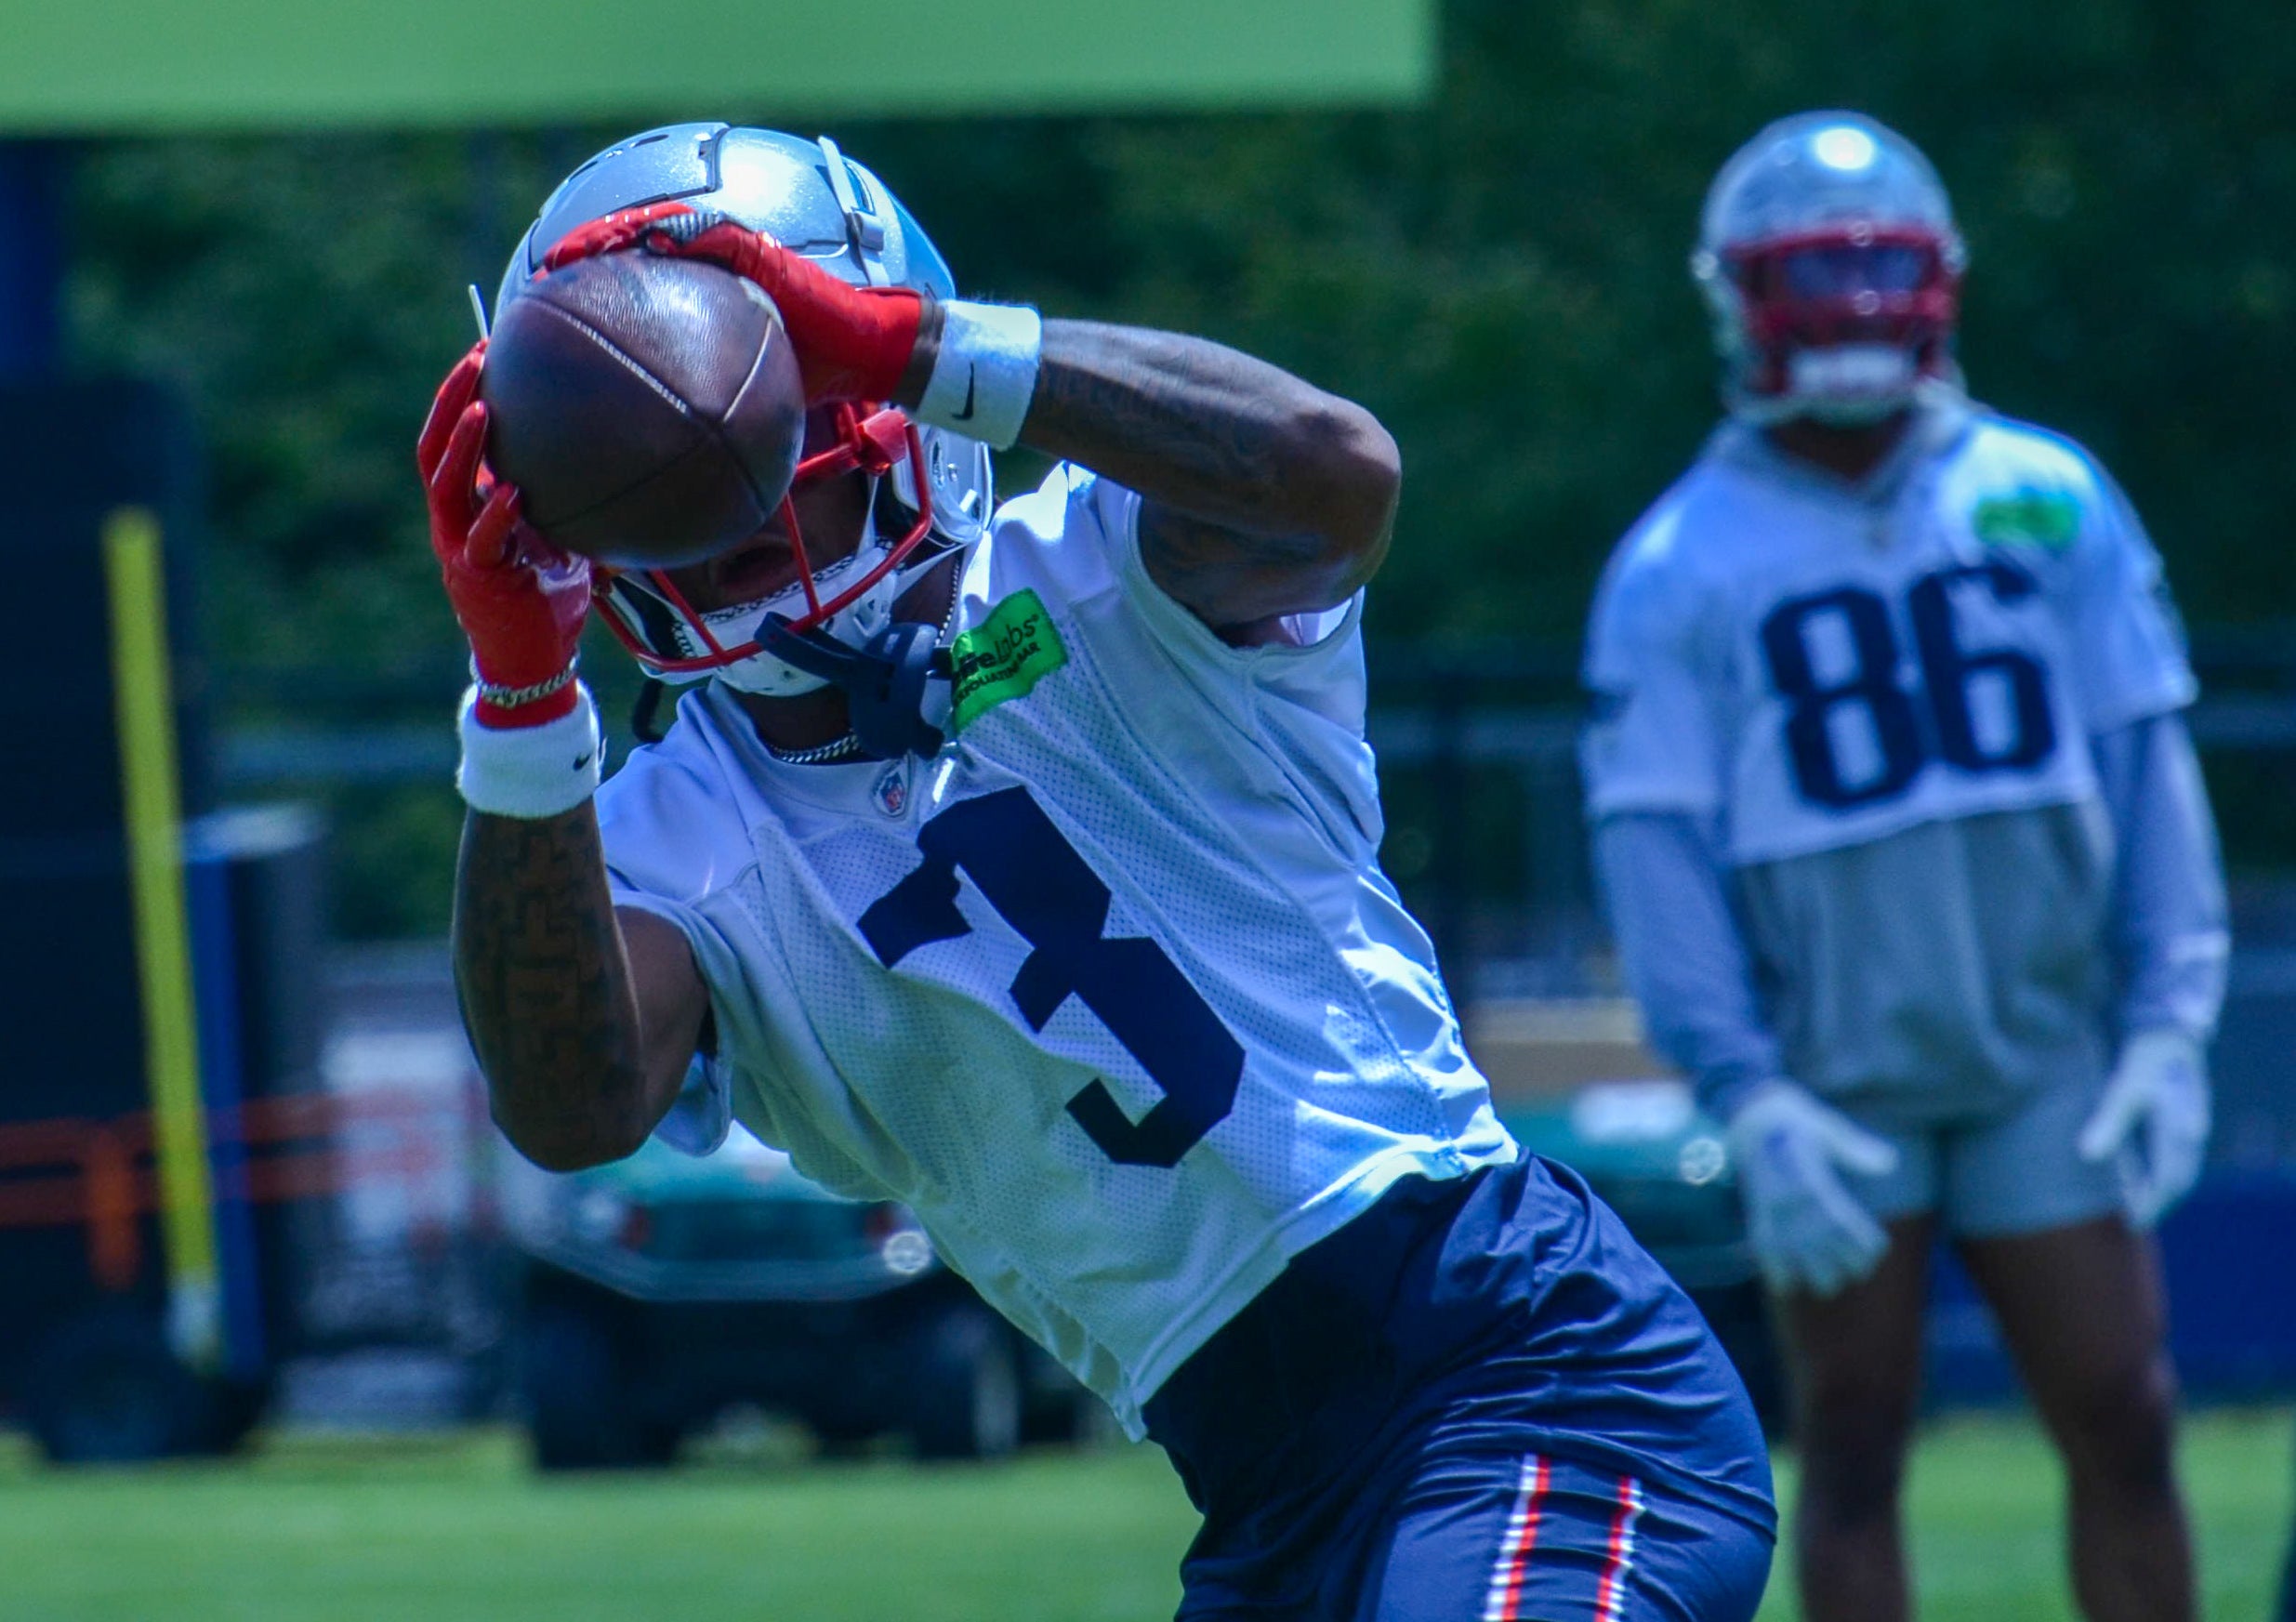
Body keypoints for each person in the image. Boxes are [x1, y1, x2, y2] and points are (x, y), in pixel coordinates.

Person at [419, 124, 1774, 1618]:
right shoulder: (669, 834)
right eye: (670, 486)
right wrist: (521, 699)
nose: (741, 516)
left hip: (1521, 1372)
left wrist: (913, 341)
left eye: (779, 444)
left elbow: (1338, 479)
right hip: (1265, 1495)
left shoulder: (1108, 570)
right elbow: (567, 1103)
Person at [1580, 111, 2227, 1622]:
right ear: (1742, 295)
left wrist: (2166, 1019)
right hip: (1835, 1069)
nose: (1853, 303)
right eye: (1820, 271)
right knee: (1853, 1437)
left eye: (1876, 266)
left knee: (2124, 1411)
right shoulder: (1682, 559)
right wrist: (1743, 1088)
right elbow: (1657, 851)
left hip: (2040, 1049)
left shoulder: (2043, 490)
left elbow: (2146, 769)